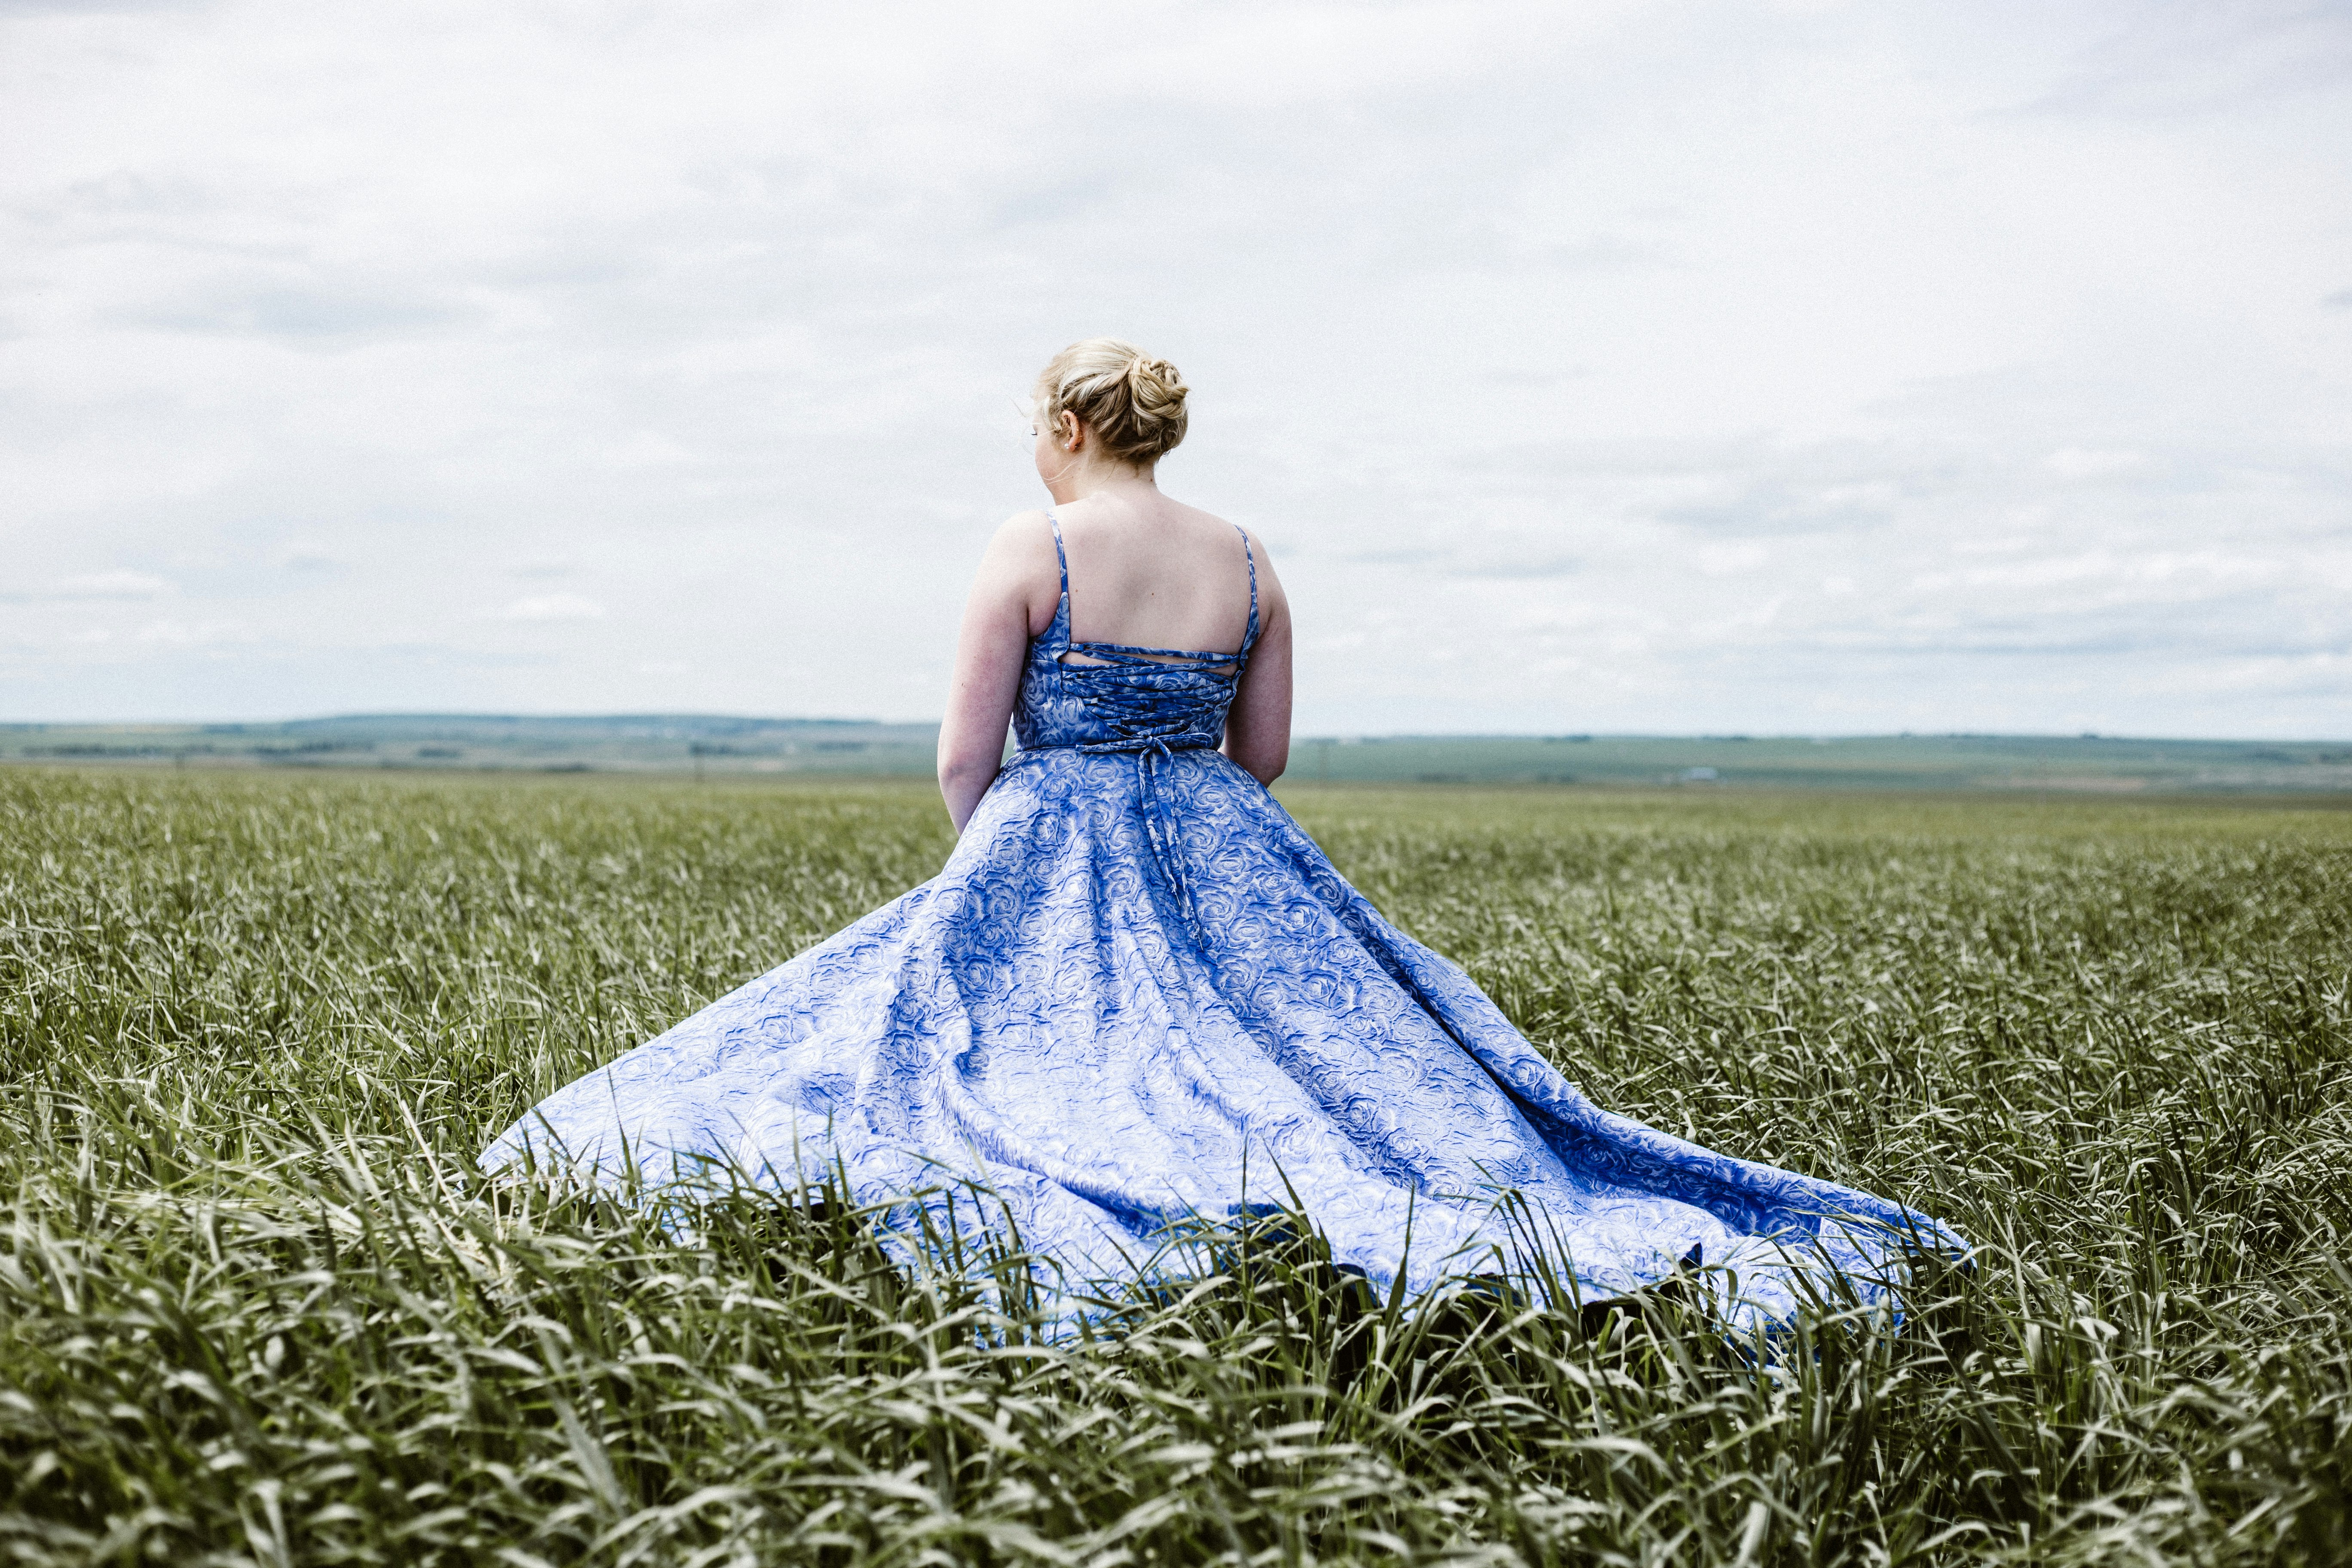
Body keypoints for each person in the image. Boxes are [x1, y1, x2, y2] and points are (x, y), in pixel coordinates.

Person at [485, 338, 1962, 1323]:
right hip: (1221, 838)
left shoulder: (1037, 544)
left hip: (1045, 829)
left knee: (970, 1056)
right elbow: (1263, 756)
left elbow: (962, 754)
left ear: (1068, 431)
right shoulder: (1249, 559)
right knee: (1307, 1053)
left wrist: (1008, 867)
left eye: (1037, 435)